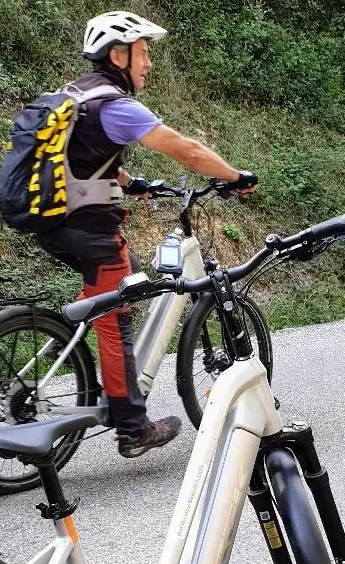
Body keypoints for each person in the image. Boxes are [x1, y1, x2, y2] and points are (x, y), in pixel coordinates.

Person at [36, 10, 258, 458]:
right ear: (118, 56)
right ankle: (133, 428)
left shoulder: (76, 94)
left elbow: (82, 154)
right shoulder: (116, 104)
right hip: (87, 228)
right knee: (115, 319)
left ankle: (110, 376)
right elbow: (184, 149)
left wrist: (129, 181)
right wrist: (234, 176)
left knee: (128, 280)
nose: (149, 64)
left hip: (49, 219)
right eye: (142, 53)